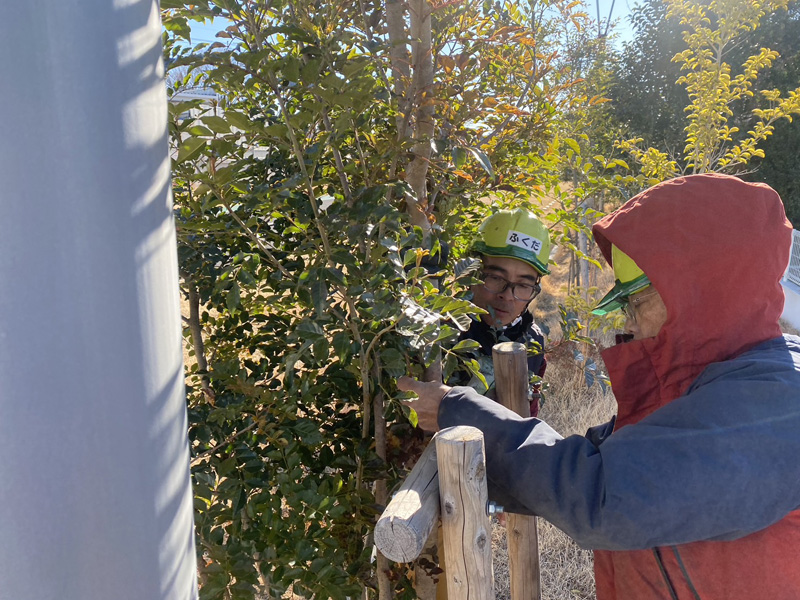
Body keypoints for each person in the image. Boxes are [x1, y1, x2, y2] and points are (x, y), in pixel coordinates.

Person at [398, 173, 800, 600]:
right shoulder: (711, 382)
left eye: (637, 301)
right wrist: (489, 484)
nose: (628, 323)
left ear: (701, 292)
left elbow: (603, 494)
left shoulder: (779, 405)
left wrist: (454, 409)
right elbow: (590, 460)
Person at [450, 208, 550, 417]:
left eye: (523, 284)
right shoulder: (440, 333)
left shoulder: (532, 342)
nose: (508, 295)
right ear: (471, 273)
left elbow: (528, 417)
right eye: (495, 278)